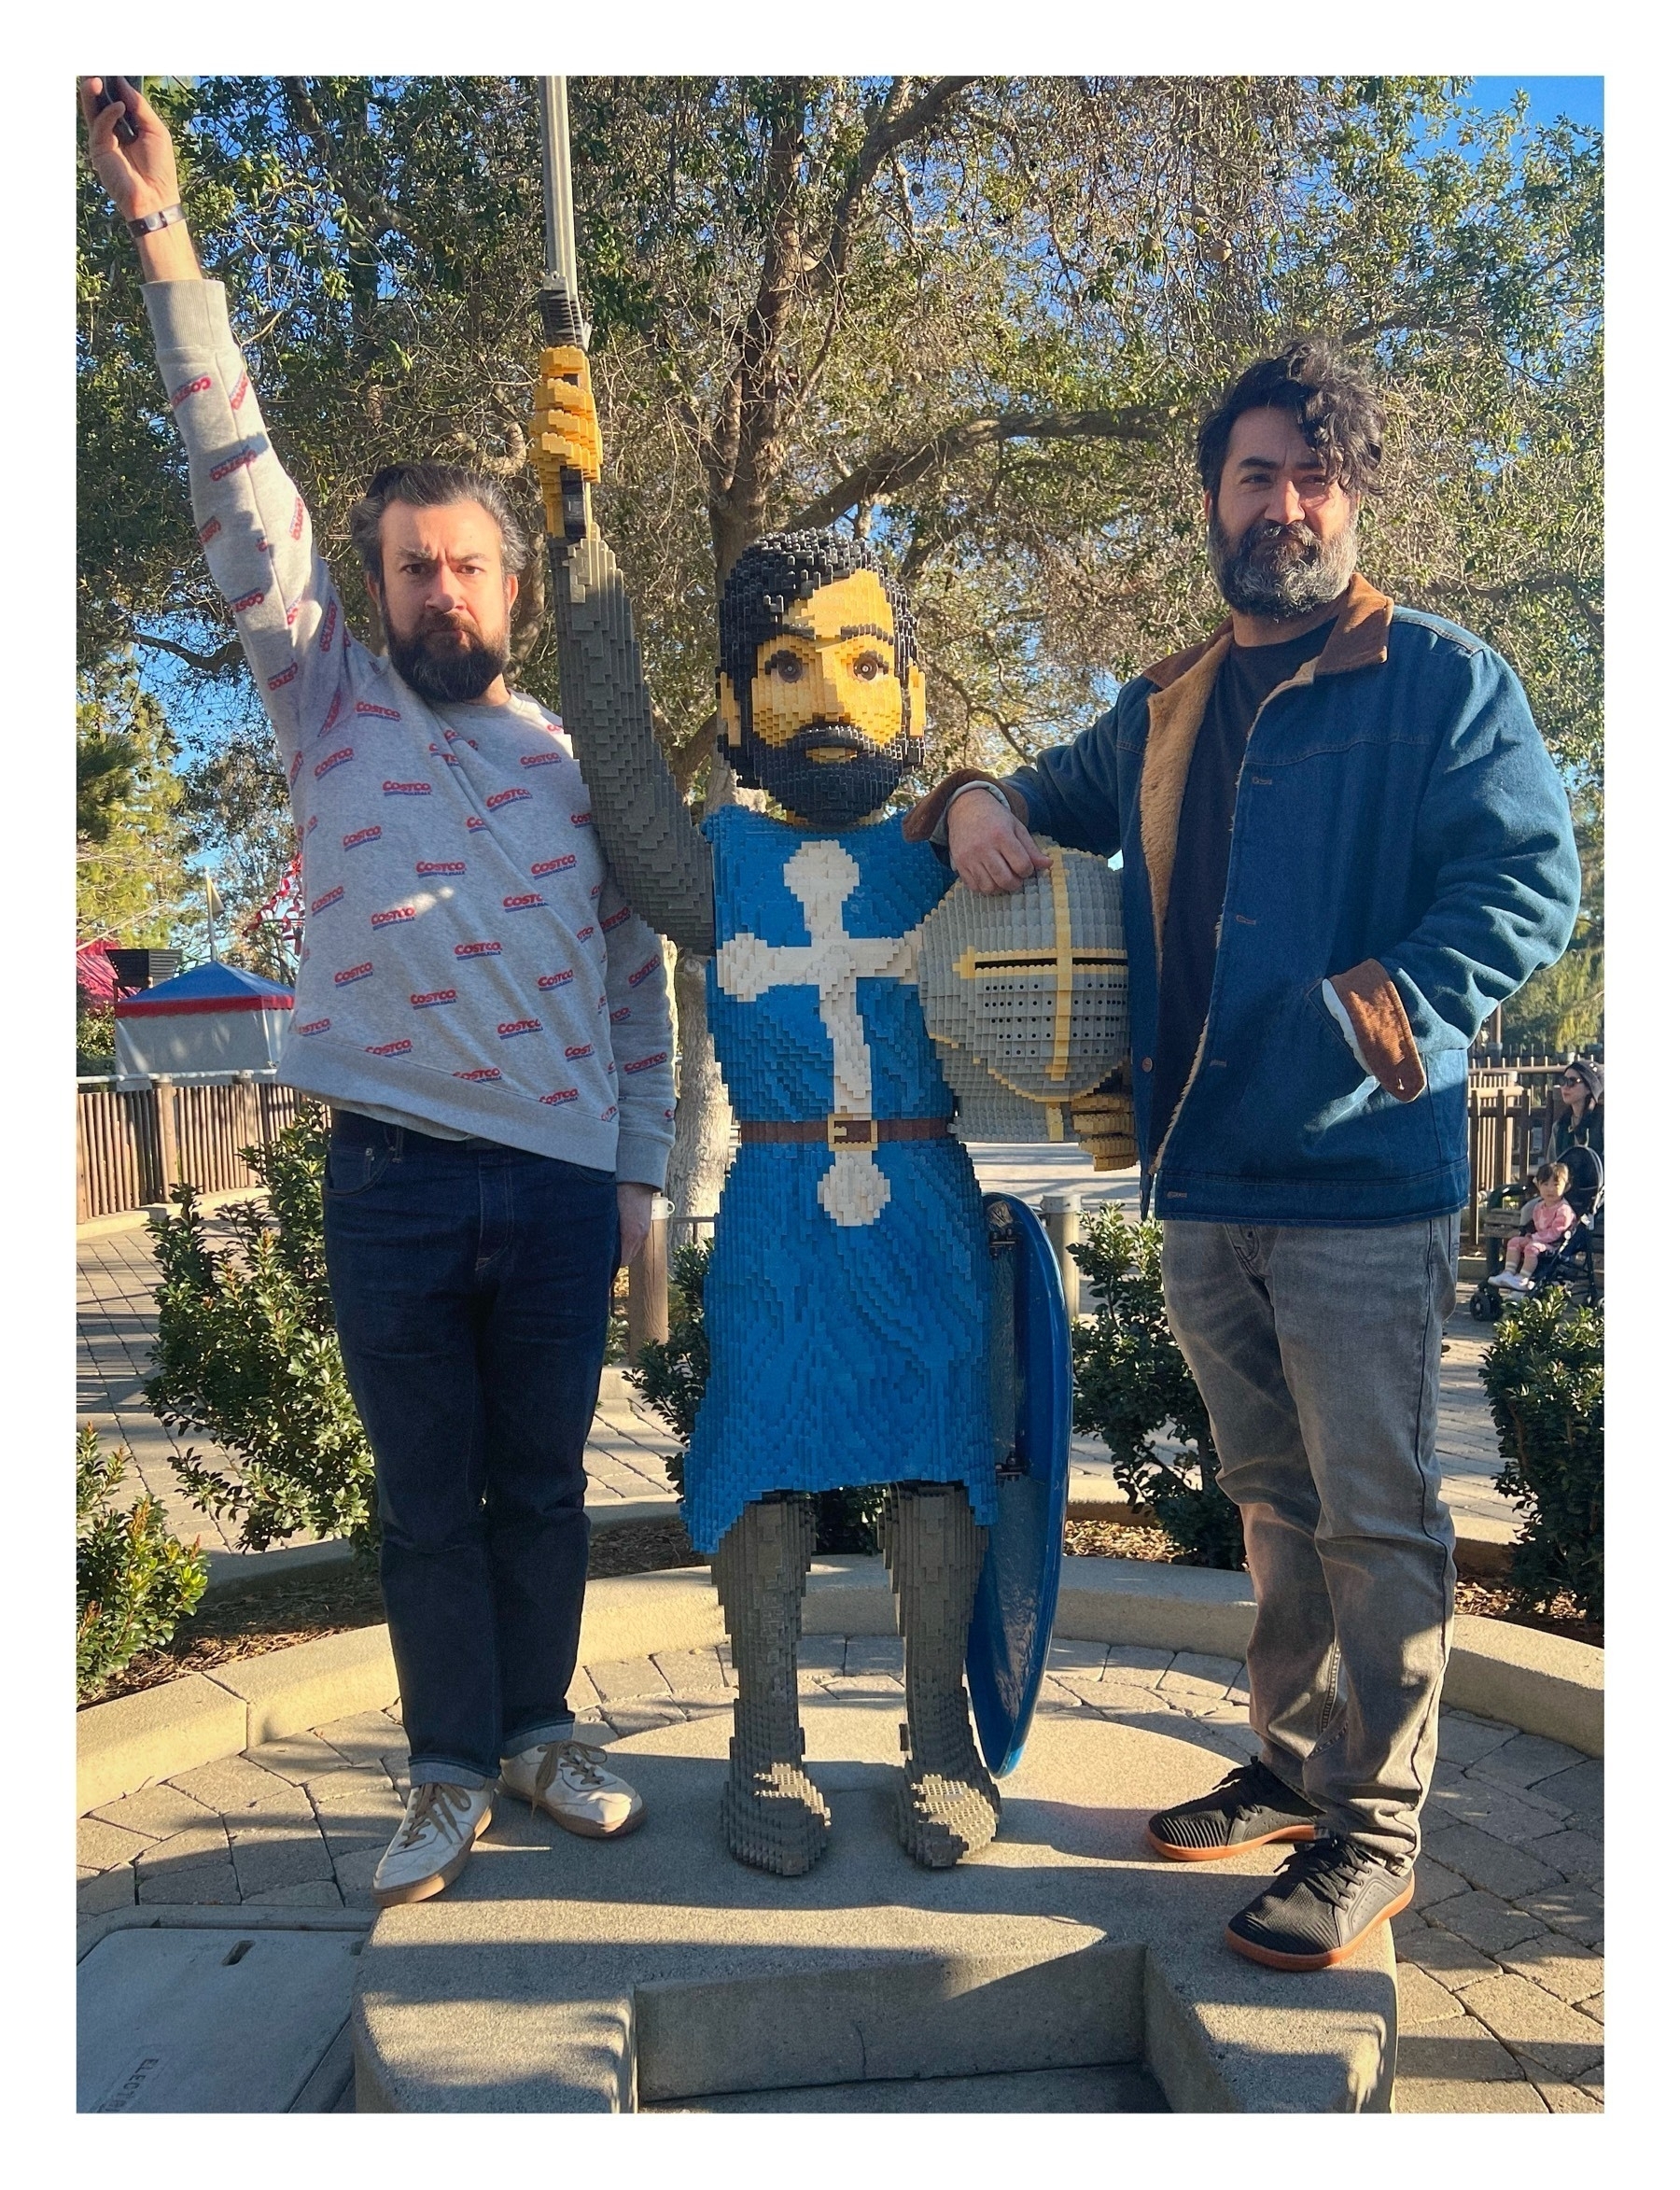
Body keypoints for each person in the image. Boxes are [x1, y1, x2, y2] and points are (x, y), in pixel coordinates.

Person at [913, 338, 1580, 1971]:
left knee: (1378, 1507)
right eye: (1254, 476)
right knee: (1272, 1500)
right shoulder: (1165, 705)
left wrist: (1376, 1016)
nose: (1283, 505)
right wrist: (971, 792)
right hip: (1204, 1181)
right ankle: (1293, 1763)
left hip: (1364, 1182)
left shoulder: (1442, 678)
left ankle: (1375, 1829)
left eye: (1313, 476)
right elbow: (1032, 793)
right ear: (1212, 500)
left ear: (1352, 497)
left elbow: (1526, 886)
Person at [82, 79, 677, 1908]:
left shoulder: (584, 762)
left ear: (511, 580)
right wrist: (163, 238)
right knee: (424, 1504)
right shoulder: (326, 702)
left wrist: (647, 1203)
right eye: (410, 565)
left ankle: (539, 1733)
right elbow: (239, 486)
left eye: (469, 562)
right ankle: (443, 1765)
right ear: (379, 586)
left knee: (547, 1493)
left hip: (563, 1181)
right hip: (395, 1181)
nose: (439, 589)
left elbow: (639, 992)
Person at [525, 351, 1121, 1877]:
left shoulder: (951, 852)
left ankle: (939, 1744)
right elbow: (611, 770)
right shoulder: (710, 864)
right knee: (772, 1460)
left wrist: (981, 783)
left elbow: (1071, 943)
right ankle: (768, 1748)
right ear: (736, 701)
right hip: (782, 1213)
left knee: (939, 1463)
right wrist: (576, 543)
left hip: (925, 1201)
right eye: (789, 661)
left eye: (863, 659)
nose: (830, 690)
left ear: (912, 692)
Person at [1491, 1163, 1575, 1291]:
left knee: (1531, 1247)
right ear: (1538, 1185)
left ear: (1566, 1187)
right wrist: (1529, 1236)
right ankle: (1508, 1272)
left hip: (1555, 1244)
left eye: (1556, 1185)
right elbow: (1535, 1226)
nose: (1550, 1189)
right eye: (1545, 1184)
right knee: (1514, 1242)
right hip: (1539, 1240)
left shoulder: (1564, 1210)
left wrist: (1533, 1238)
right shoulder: (1538, 1207)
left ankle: (1523, 1277)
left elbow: (1555, 1232)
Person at [1548, 1058, 1604, 1169]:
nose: (1565, 1087)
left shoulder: (1603, 1120)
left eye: (1572, 1082)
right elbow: (1550, 1169)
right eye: (1563, 1081)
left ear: (1589, 1088)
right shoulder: (1560, 1126)